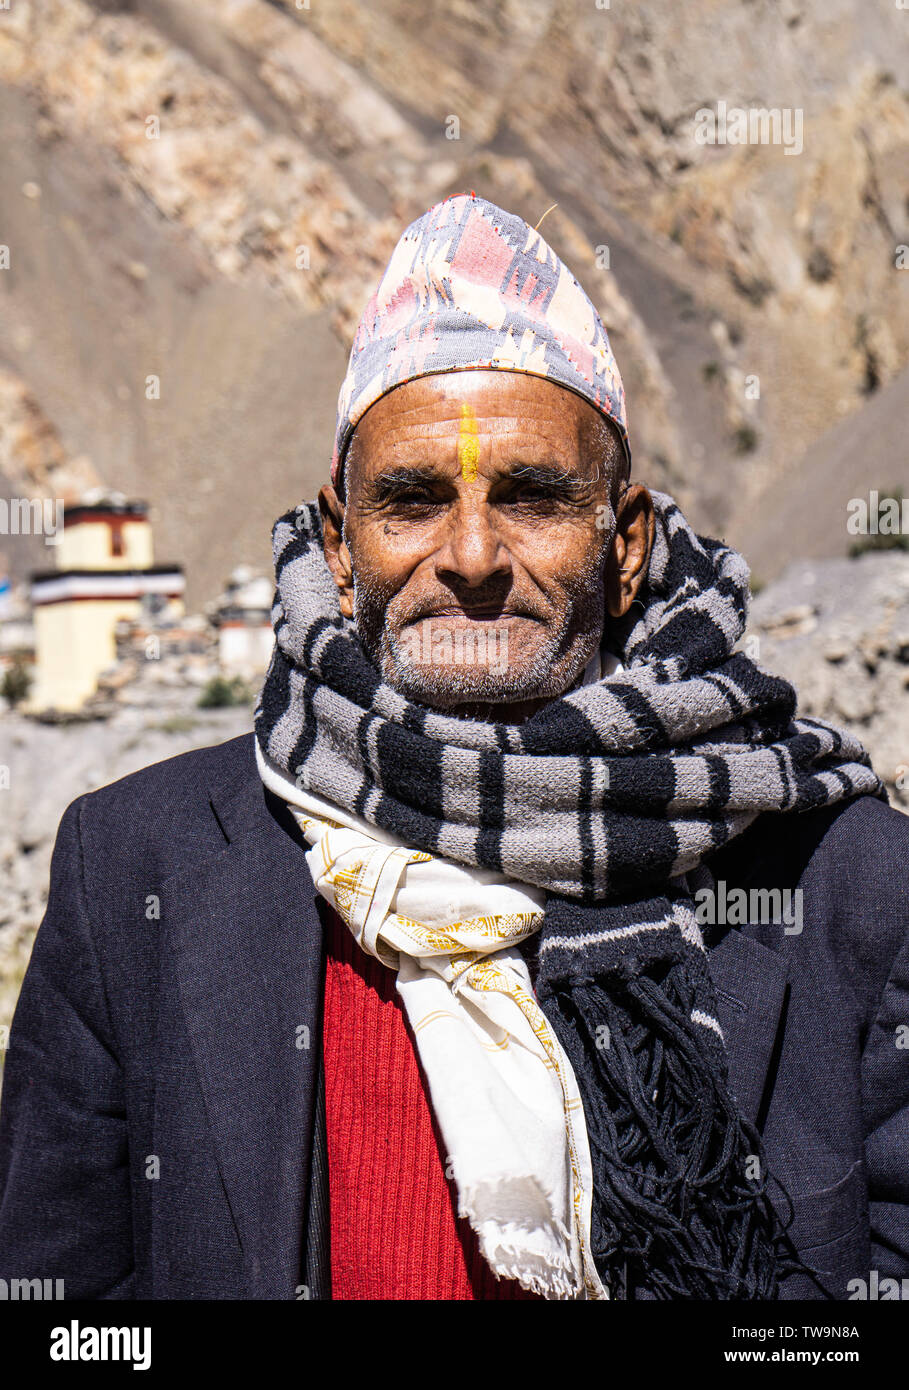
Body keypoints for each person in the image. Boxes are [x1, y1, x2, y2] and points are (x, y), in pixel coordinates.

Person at [1, 195, 907, 1301]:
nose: (471, 553)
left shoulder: (850, 886)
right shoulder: (134, 869)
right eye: (413, 500)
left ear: (624, 548)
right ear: (339, 545)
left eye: (532, 496)